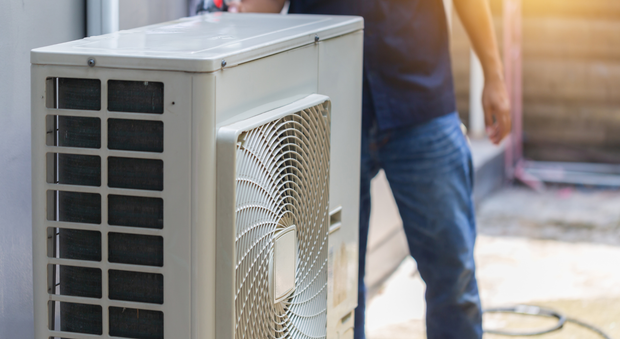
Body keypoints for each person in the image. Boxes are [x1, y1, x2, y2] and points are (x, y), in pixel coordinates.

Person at [228, 0, 511, 338]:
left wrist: (494, 76)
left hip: (421, 100)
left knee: (453, 273)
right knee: (332, 283)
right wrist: (229, 25)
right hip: (328, 109)